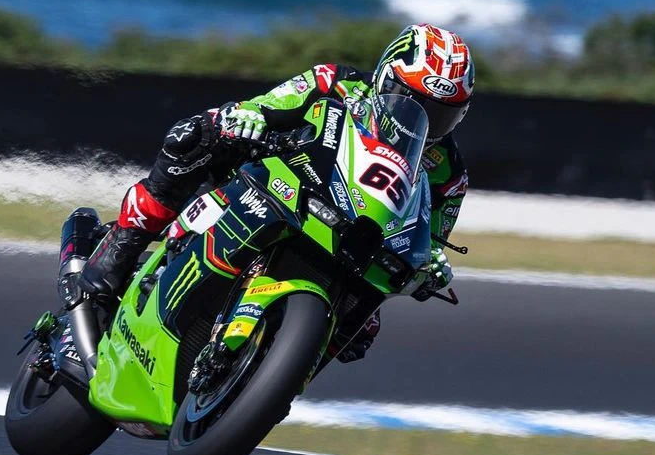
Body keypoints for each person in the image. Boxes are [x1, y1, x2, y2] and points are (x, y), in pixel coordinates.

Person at [69, 23, 474, 362]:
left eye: (442, 113)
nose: (425, 120)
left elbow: (431, 236)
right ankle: (120, 249)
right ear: (387, 78)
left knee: (363, 329)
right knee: (194, 137)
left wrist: (430, 266)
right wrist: (246, 118)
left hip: (351, 235)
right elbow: (266, 105)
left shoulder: (448, 174)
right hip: (278, 180)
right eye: (414, 101)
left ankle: (270, 374)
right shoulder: (336, 83)